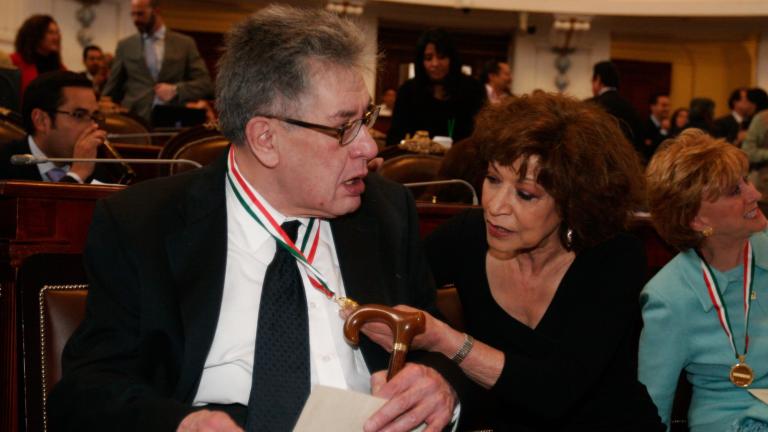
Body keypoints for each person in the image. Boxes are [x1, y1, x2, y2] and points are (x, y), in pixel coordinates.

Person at [49, 6, 460, 432]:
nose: (370, 150)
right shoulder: (144, 224)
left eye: (367, 120)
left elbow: (438, 345)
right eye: (344, 128)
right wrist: (181, 425)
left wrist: (442, 385)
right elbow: (88, 391)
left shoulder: (387, 214)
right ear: (265, 138)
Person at [360, 93, 664, 430]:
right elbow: (390, 280)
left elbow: (557, 390)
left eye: (525, 194)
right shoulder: (467, 236)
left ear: (574, 201)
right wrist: (367, 193)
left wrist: (443, 339)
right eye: (492, 179)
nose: (495, 206)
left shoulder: (614, 256)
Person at [640, 129, 768, 431]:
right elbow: (651, 408)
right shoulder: (669, 297)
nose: (756, 194)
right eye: (735, 191)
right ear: (697, 220)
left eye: (745, 180)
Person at [102, 0, 213, 124]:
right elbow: (111, 89)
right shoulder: (125, 46)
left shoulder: (185, 44)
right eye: (133, 14)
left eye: (140, 14)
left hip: (172, 120)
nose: (135, 20)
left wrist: (176, 90)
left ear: (157, 11)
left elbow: (205, 84)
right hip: (134, 120)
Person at [0, 71, 118, 183]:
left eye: (94, 115)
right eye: (79, 115)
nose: (93, 126)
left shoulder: (97, 167)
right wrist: (76, 176)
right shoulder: (5, 164)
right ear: (41, 120)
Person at [386, 28, 486, 146]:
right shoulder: (408, 91)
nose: (435, 64)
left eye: (442, 57)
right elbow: (395, 137)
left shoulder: (472, 89)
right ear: (421, 62)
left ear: (452, 59)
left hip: (461, 161)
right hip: (415, 160)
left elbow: (480, 136)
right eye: (428, 58)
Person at [588, 61, 646, 162]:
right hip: (625, 164)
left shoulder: (591, 105)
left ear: (598, 79)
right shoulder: (630, 107)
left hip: (596, 164)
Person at [10, 14, 64, 96]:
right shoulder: (13, 61)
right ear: (35, 35)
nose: (56, 37)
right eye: (50, 32)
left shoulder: (61, 68)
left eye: (57, 32)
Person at [644, 92, 671, 160]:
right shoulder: (645, 125)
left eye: (668, 105)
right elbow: (651, 151)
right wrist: (663, 131)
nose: (667, 109)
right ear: (653, 107)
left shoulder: (671, 125)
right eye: (664, 105)